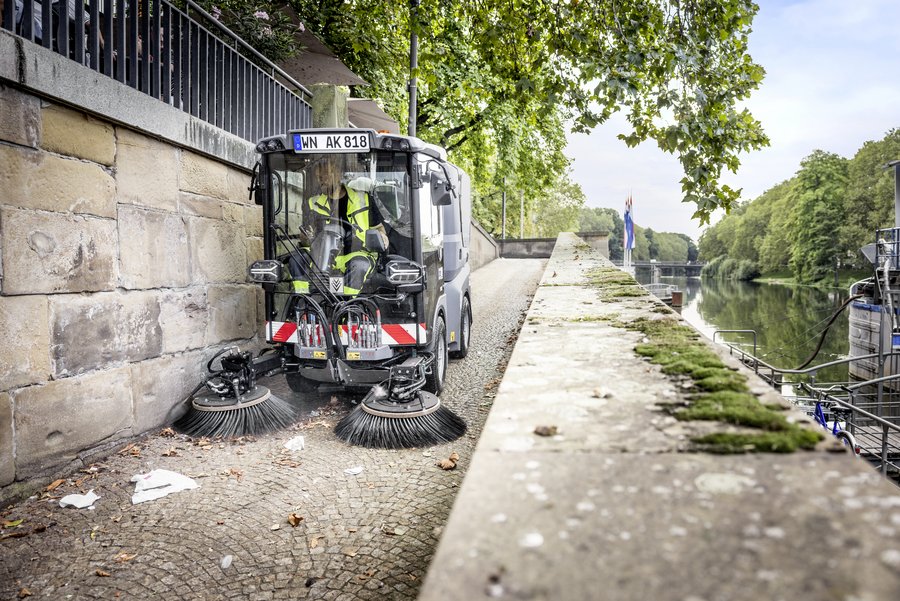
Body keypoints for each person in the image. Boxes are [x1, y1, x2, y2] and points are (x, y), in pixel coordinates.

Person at [289, 156, 380, 296]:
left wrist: (381, 238)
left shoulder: (364, 199)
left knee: (359, 266)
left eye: (325, 176)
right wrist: (306, 237)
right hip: (318, 254)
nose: (321, 180)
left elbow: (379, 229)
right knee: (296, 259)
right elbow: (305, 236)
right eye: (319, 177)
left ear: (337, 174)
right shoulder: (312, 203)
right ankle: (302, 303)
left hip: (354, 253)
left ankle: (347, 306)